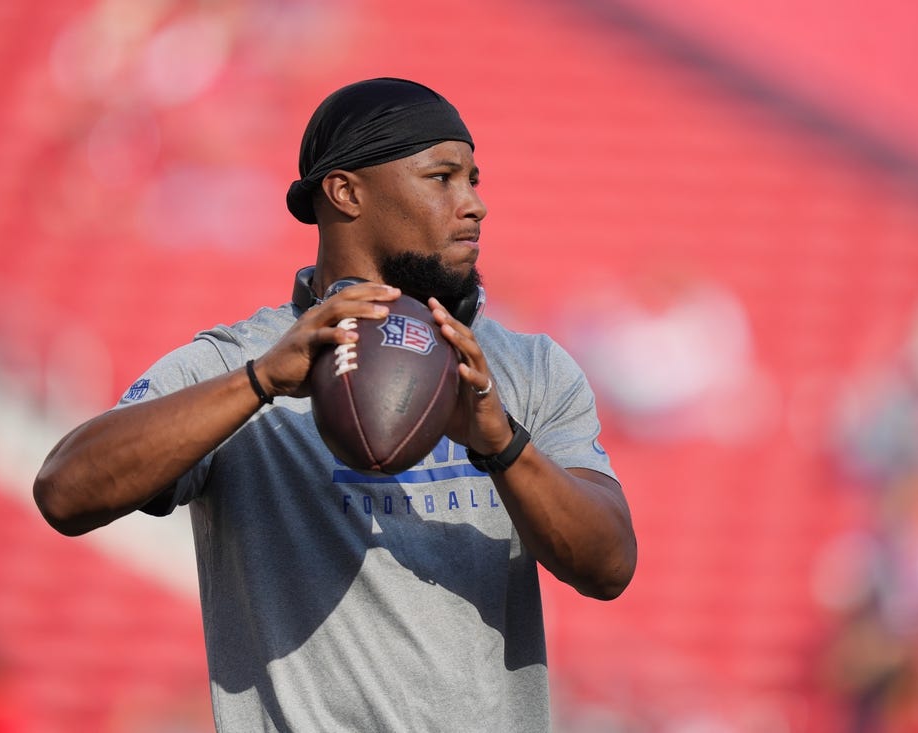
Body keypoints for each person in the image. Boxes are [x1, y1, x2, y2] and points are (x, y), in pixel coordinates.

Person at [34, 77, 637, 732]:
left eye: (474, 179)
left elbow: (609, 566)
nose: (475, 205)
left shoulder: (527, 368)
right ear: (347, 193)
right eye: (442, 178)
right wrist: (260, 382)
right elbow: (65, 490)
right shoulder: (240, 359)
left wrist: (502, 442)